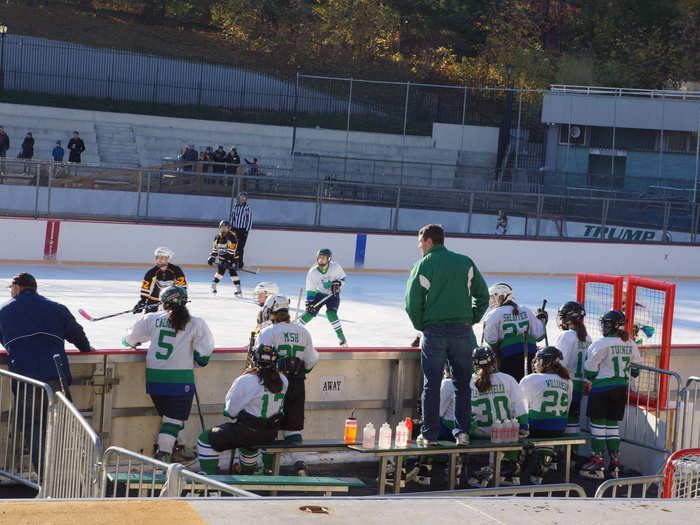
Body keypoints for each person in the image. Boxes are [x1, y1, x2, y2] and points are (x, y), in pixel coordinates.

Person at [405, 223, 489, 447]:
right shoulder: (465, 262)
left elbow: (412, 303)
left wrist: (422, 325)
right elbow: (483, 296)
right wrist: (472, 318)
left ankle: (430, 435)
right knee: (463, 384)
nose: (419, 247)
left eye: (420, 242)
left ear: (429, 241)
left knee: (431, 384)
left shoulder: (423, 264)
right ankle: (462, 433)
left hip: (435, 332)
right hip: (463, 332)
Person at [0, 273, 92, 466]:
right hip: (56, 375)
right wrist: (86, 350)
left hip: (26, 377)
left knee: (32, 425)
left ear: (17, 288)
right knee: (64, 426)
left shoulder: (4, 311)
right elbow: (77, 334)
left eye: (11, 289)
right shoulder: (57, 308)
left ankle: (43, 476)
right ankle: (77, 471)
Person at [122, 286, 215, 462]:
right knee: (173, 420)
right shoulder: (196, 323)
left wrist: (127, 342)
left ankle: (183, 449)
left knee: (171, 418)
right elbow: (204, 353)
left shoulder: (151, 318)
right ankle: (163, 454)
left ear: (163, 303)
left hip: (155, 379)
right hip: (180, 379)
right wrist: (198, 360)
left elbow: (129, 339)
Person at [196, 344, 287, 475]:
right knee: (249, 442)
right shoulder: (284, 380)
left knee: (205, 439)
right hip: (269, 434)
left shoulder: (247, 380)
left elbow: (230, 412)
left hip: (247, 433)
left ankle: (209, 480)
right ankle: (248, 470)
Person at [580, 310, 641, 480]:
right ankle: (615, 463)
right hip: (621, 388)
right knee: (612, 426)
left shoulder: (601, 344)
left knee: (598, 426)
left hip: (602, 389)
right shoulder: (630, 343)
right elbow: (635, 371)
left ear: (609, 325)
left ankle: (597, 463)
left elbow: (589, 371)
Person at [258, 295, 318, 442]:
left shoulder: (267, 332)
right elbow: (311, 361)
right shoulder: (303, 332)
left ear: (271, 310)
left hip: (274, 383)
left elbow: (260, 360)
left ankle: (266, 465)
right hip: (296, 384)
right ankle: (298, 463)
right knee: (292, 430)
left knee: (267, 428)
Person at [469, 346, 529, 486]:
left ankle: (484, 469)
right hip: (504, 432)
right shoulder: (507, 379)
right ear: (494, 362)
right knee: (514, 429)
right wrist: (523, 426)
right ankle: (509, 468)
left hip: (480, 433)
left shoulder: (469, 382)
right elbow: (520, 407)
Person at [519, 346, 573, 484]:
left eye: (538, 360)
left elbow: (520, 407)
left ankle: (516, 461)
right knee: (547, 427)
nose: (536, 363)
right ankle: (544, 461)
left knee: (517, 420)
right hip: (559, 428)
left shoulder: (530, 379)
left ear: (545, 361)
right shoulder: (568, 381)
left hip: (536, 428)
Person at [481, 282, 546, 382]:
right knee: (527, 387)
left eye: (494, 297)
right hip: (531, 354)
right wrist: (542, 320)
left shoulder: (493, 314)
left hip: (508, 357)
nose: (492, 300)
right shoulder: (526, 310)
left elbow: (491, 341)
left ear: (503, 296)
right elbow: (539, 335)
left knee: (511, 389)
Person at [554, 301, 591, 438]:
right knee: (574, 417)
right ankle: (572, 453)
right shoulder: (588, 337)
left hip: (566, 382)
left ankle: (558, 454)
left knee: (561, 416)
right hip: (580, 383)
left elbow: (559, 362)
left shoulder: (567, 336)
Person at [299, 248, 348, 347]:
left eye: (323, 258)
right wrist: (309, 302)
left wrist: (338, 284)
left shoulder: (336, 267)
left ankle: (341, 337)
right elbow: (311, 289)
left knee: (331, 313)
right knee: (309, 313)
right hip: (319, 294)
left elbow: (343, 278)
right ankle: (294, 330)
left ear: (329, 259)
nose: (321, 260)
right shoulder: (313, 272)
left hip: (332, 295)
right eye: (319, 258)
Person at [134, 247, 187, 314]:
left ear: (168, 258)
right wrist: (142, 301)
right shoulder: (151, 272)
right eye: (157, 257)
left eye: (162, 258)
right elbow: (146, 288)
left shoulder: (176, 270)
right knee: (148, 318)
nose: (159, 260)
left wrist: (180, 299)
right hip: (154, 299)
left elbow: (182, 287)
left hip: (171, 299)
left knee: (174, 319)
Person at [208, 220, 242, 296]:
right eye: (222, 227)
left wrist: (230, 261)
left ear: (229, 228)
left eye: (225, 227)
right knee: (220, 271)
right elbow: (215, 249)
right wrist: (212, 257)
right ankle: (214, 284)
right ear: (220, 227)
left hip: (232, 258)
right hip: (222, 258)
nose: (223, 229)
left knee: (232, 272)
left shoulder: (232, 236)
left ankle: (238, 288)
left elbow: (232, 251)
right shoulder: (217, 237)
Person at [229, 192, 253, 268]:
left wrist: (247, 230)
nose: (242, 198)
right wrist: (231, 228)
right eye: (241, 197)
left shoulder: (247, 208)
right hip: (235, 229)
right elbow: (232, 218)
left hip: (243, 230)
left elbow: (249, 220)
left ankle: (240, 263)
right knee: (233, 246)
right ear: (238, 198)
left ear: (246, 199)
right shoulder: (235, 207)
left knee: (240, 247)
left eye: (244, 197)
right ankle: (232, 262)